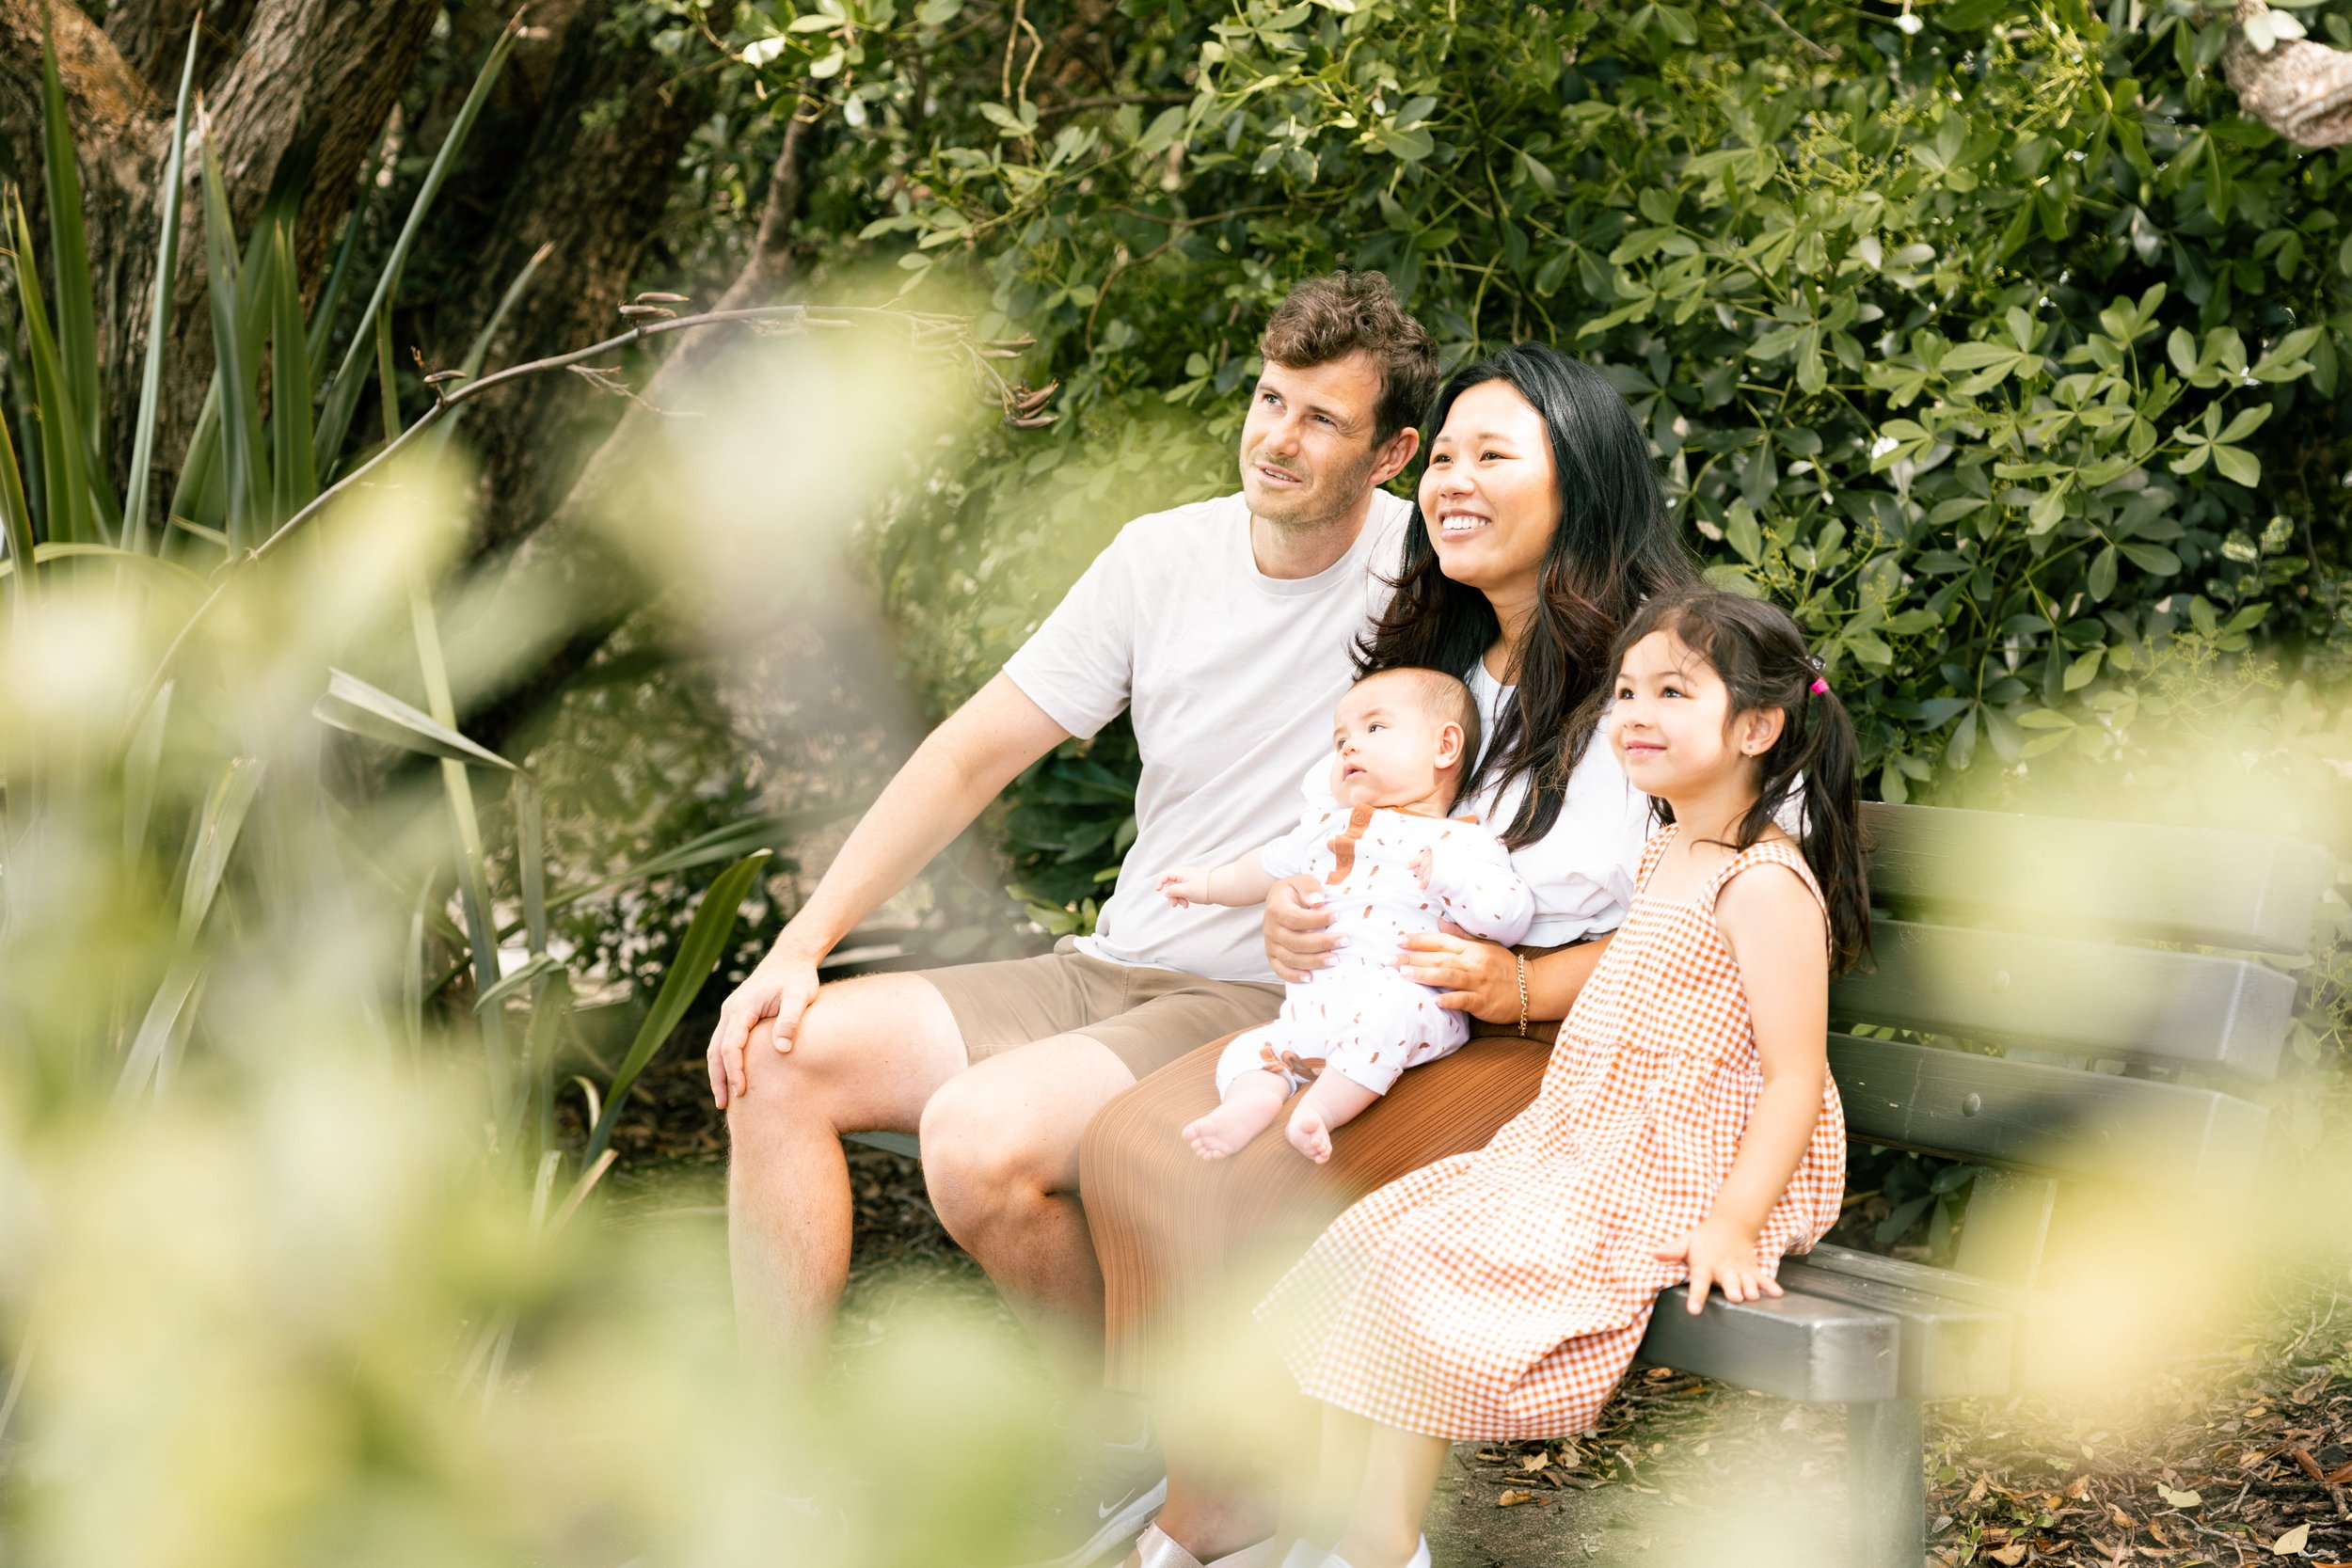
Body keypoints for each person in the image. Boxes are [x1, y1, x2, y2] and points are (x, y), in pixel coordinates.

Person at [705, 272, 1437, 1565]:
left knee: (976, 1140)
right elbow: (966, 754)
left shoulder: (1428, 576)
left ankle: (1147, 1442)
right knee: (775, 1051)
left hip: (1261, 1000)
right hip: (1107, 963)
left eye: (1323, 420)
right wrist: (798, 941)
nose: (1278, 436)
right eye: (1271, 399)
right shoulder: (1163, 556)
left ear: (1393, 453)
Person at [1079, 344, 1698, 1568]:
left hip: (1574, 1046)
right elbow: (1334, 847)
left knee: (1237, 1176)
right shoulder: (1444, 668)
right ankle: (1234, 1484)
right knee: (1131, 1139)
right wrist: (1290, 920)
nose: (1455, 480)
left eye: (1494, 454)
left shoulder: (1664, 667)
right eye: (1447, 455)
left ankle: (1236, 1516)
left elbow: (1707, 918)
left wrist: (1527, 982)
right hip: (1412, 1017)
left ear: (1581, 480)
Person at [1263, 588, 1871, 1568]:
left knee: (1435, 1264)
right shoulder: (1667, 845)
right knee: (1378, 1237)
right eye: (1626, 689)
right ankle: (1331, 1527)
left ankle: (1380, 1544)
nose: (1633, 711)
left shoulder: (1761, 880)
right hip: (1593, 1136)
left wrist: (1731, 1219)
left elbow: (1795, 1077)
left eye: (1672, 691)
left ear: (1758, 724)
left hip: (1695, 1161)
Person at [1155, 667, 1534, 1164]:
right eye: (1340, 740)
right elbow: (1262, 867)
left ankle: (1320, 1109)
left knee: (1391, 1011)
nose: (1349, 747)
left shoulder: (1460, 841)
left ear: (1444, 747)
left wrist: (1450, 878)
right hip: (1309, 1018)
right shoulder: (1321, 829)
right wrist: (1207, 885)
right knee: (1247, 1050)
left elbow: (1508, 916)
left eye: (1374, 729)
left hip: (1409, 1004)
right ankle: (1252, 1101)